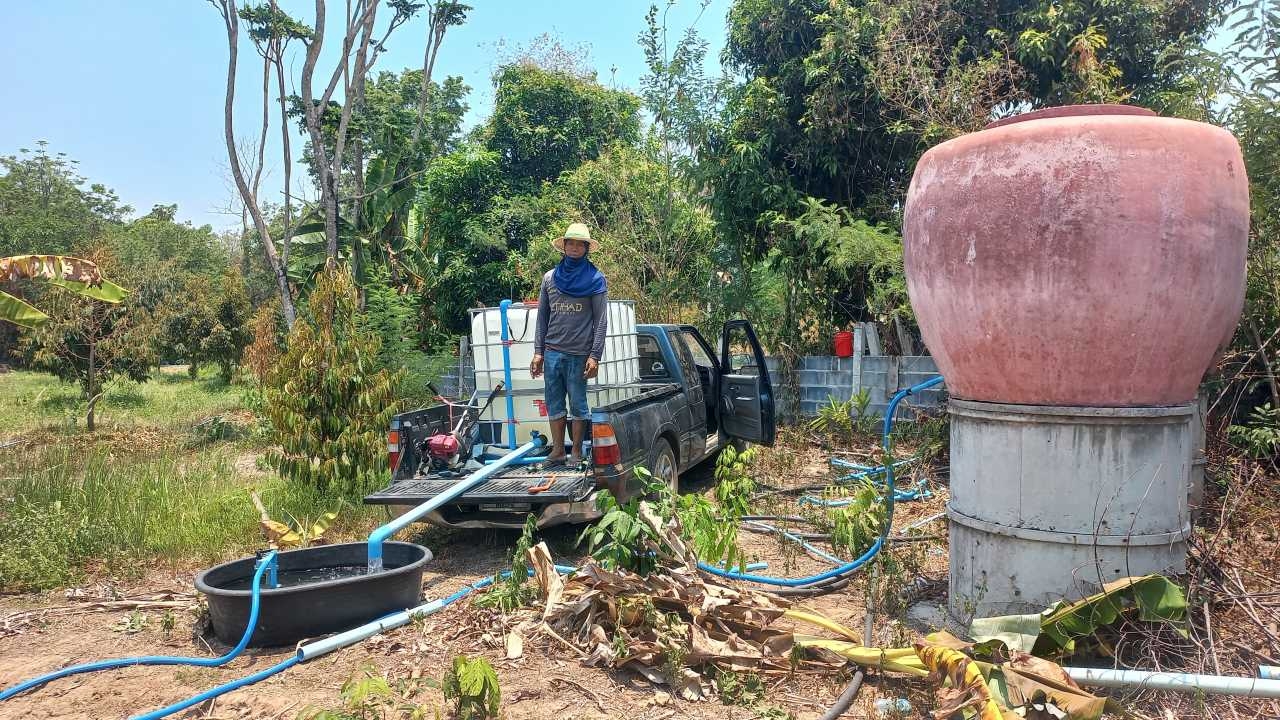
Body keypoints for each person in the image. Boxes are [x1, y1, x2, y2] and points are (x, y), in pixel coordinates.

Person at [530, 222, 608, 466]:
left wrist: (595, 356)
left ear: (586, 249)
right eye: (570, 243)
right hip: (552, 352)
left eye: (579, 244)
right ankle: (557, 451)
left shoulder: (595, 279)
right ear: (563, 246)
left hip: (579, 354)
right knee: (553, 403)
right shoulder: (549, 279)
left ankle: (575, 451)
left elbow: (601, 321)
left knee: (578, 404)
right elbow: (542, 317)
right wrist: (537, 352)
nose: (574, 248)